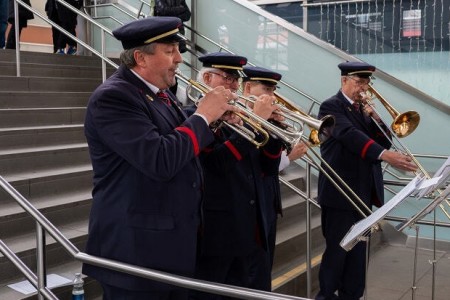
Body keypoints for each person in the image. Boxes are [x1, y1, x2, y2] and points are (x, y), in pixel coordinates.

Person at [82, 17, 239, 300]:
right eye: (170, 51)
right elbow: (160, 159)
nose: (179, 59)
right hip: (136, 253)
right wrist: (204, 115)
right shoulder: (114, 96)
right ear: (141, 58)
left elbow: (181, 141)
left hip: (168, 246)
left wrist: (215, 120)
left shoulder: (159, 94)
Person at [315, 61, 417, 300]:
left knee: (359, 252)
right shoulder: (331, 106)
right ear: (344, 81)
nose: (364, 88)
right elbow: (349, 136)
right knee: (337, 251)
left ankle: (352, 295)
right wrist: (384, 156)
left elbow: (385, 142)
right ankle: (326, 296)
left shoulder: (364, 109)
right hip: (339, 191)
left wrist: (378, 119)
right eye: (359, 82)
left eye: (367, 83)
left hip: (364, 190)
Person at [189, 53, 284, 299]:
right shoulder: (194, 114)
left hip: (249, 226)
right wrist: (254, 124)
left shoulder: (241, 112)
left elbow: (268, 168)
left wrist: (274, 132)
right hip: (217, 230)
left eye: (236, 79)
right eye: (229, 78)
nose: (234, 85)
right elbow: (216, 163)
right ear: (207, 78)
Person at [241, 66, 309, 289]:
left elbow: (270, 164)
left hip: (267, 202)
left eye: (273, 90)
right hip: (246, 206)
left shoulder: (266, 118)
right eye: (266, 89)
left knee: (263, 268)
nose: (271, 97)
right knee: (249, 273)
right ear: (248, 88)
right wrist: (288, 157)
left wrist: (278, 127)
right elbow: (254, 164)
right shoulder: (237, 116)